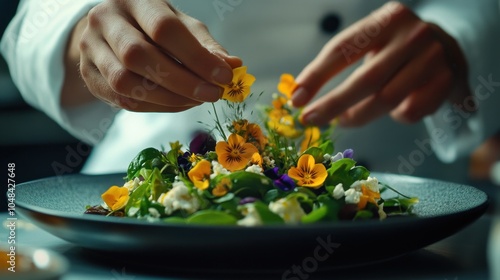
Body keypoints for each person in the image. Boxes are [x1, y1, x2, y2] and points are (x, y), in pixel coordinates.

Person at [2, 0, 500, 184]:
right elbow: (33, 23)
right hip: (157, 198)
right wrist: (83, 32)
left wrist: (461, 37)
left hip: (392, 197)